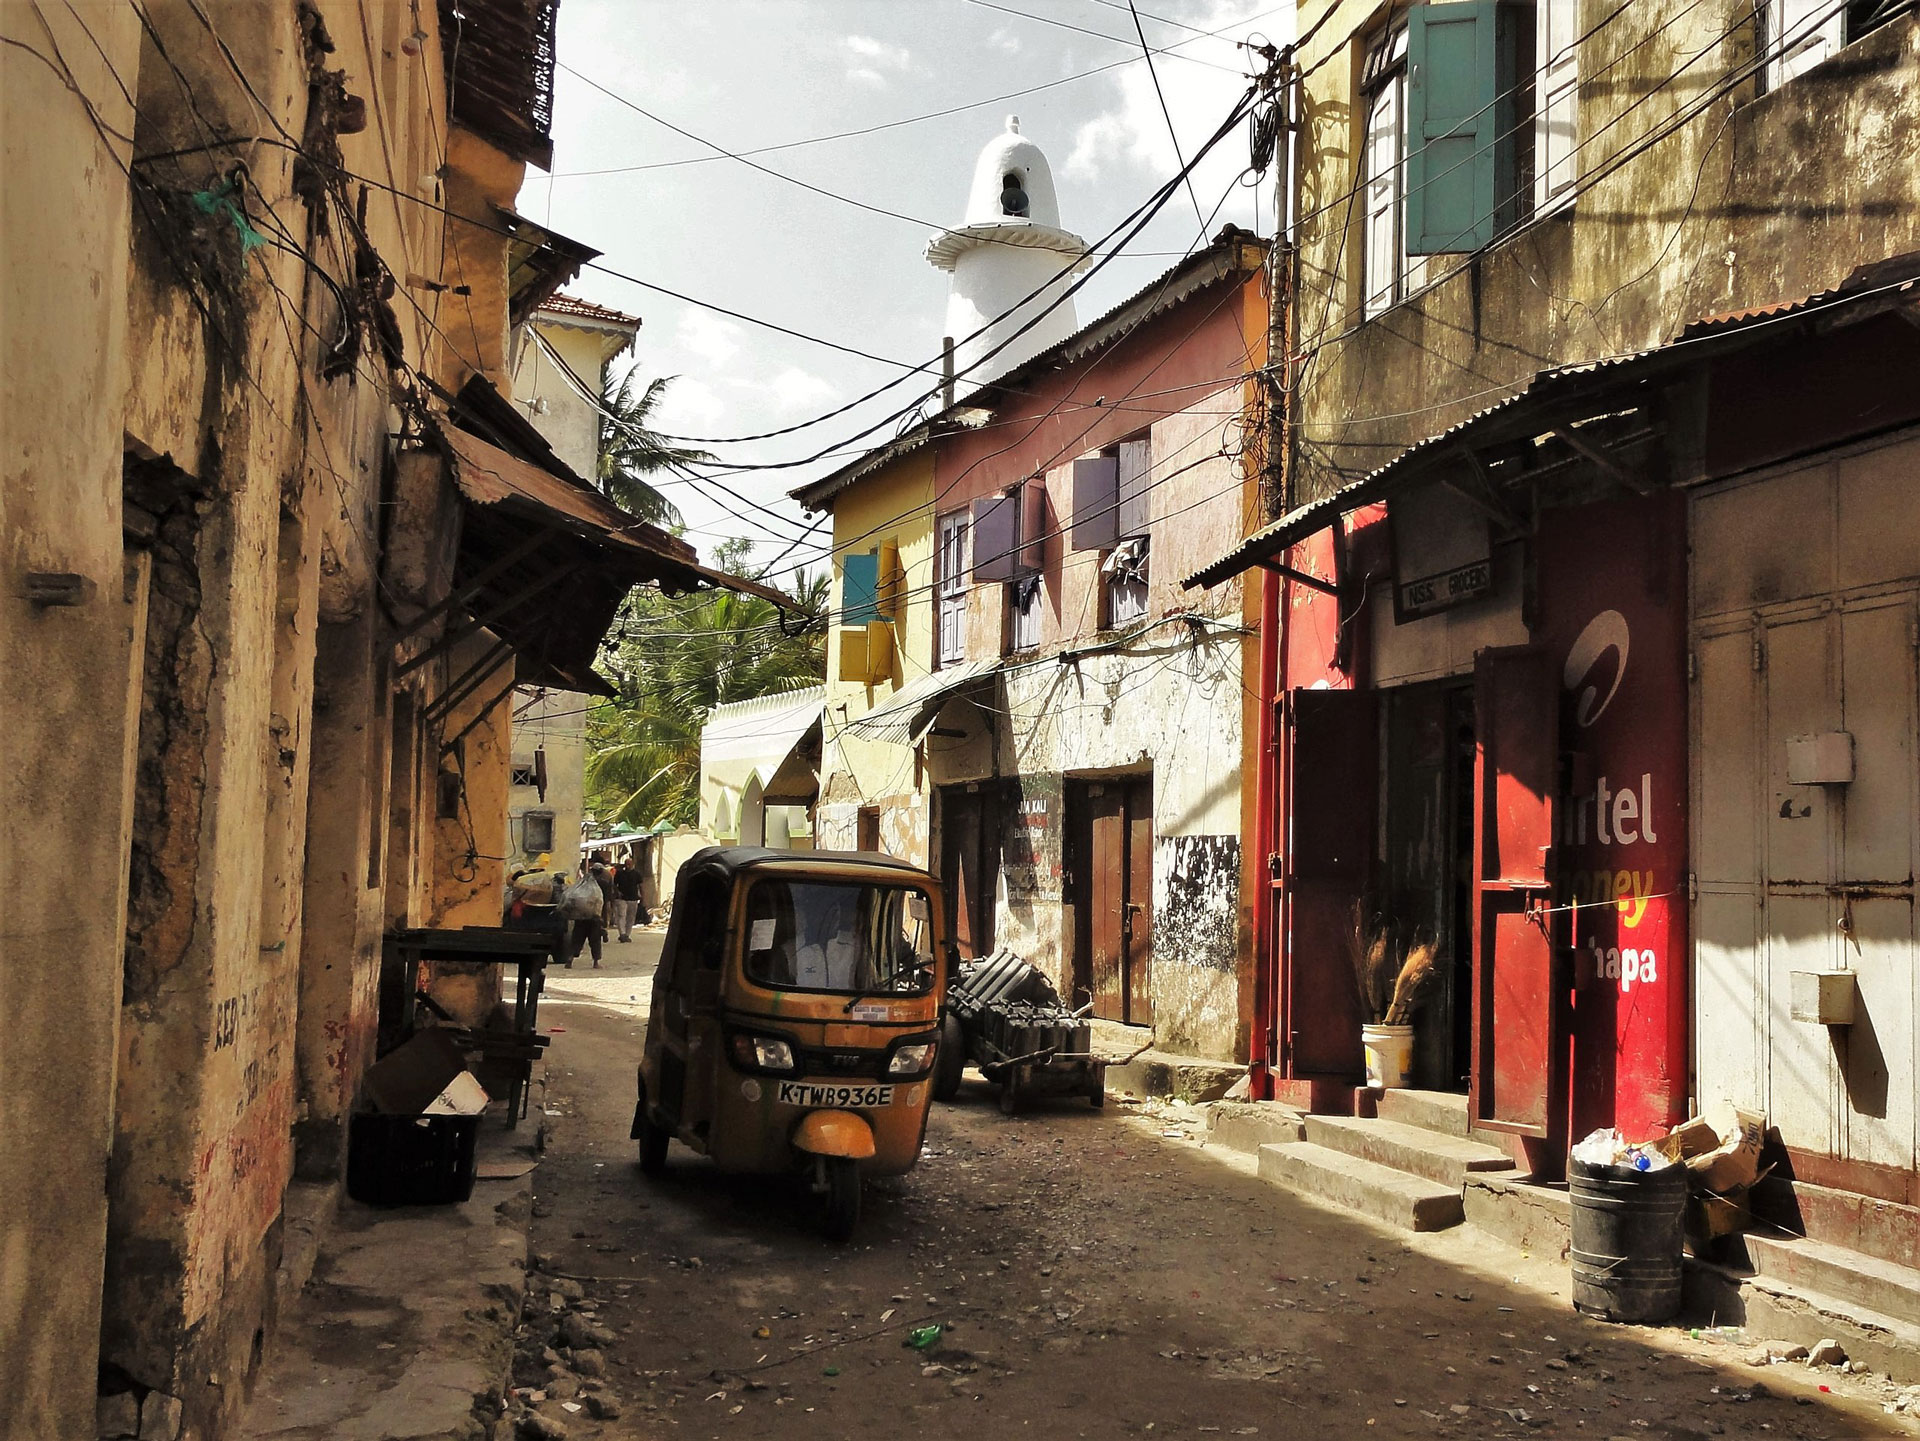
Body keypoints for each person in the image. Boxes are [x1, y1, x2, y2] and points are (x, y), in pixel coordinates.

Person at [793, 892, 865, 990]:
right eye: (824, 911)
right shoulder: (792, 950)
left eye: (835, 911)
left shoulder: (856, 947)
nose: (831, 918)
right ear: (811, 915)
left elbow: (873, 985)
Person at [611, 860, 645, 942]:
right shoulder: (619, 873)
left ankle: (627, 934)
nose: (628, 866)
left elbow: (641, 886)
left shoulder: (637, 874)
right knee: (621, 915)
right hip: (621, 898)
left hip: (633, 898)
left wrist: (643, 897)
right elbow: (614, 885)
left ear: (632, 864)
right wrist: (617, 892)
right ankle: (622, 934)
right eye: (626, 864)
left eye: (629, 864)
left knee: (631, 917)